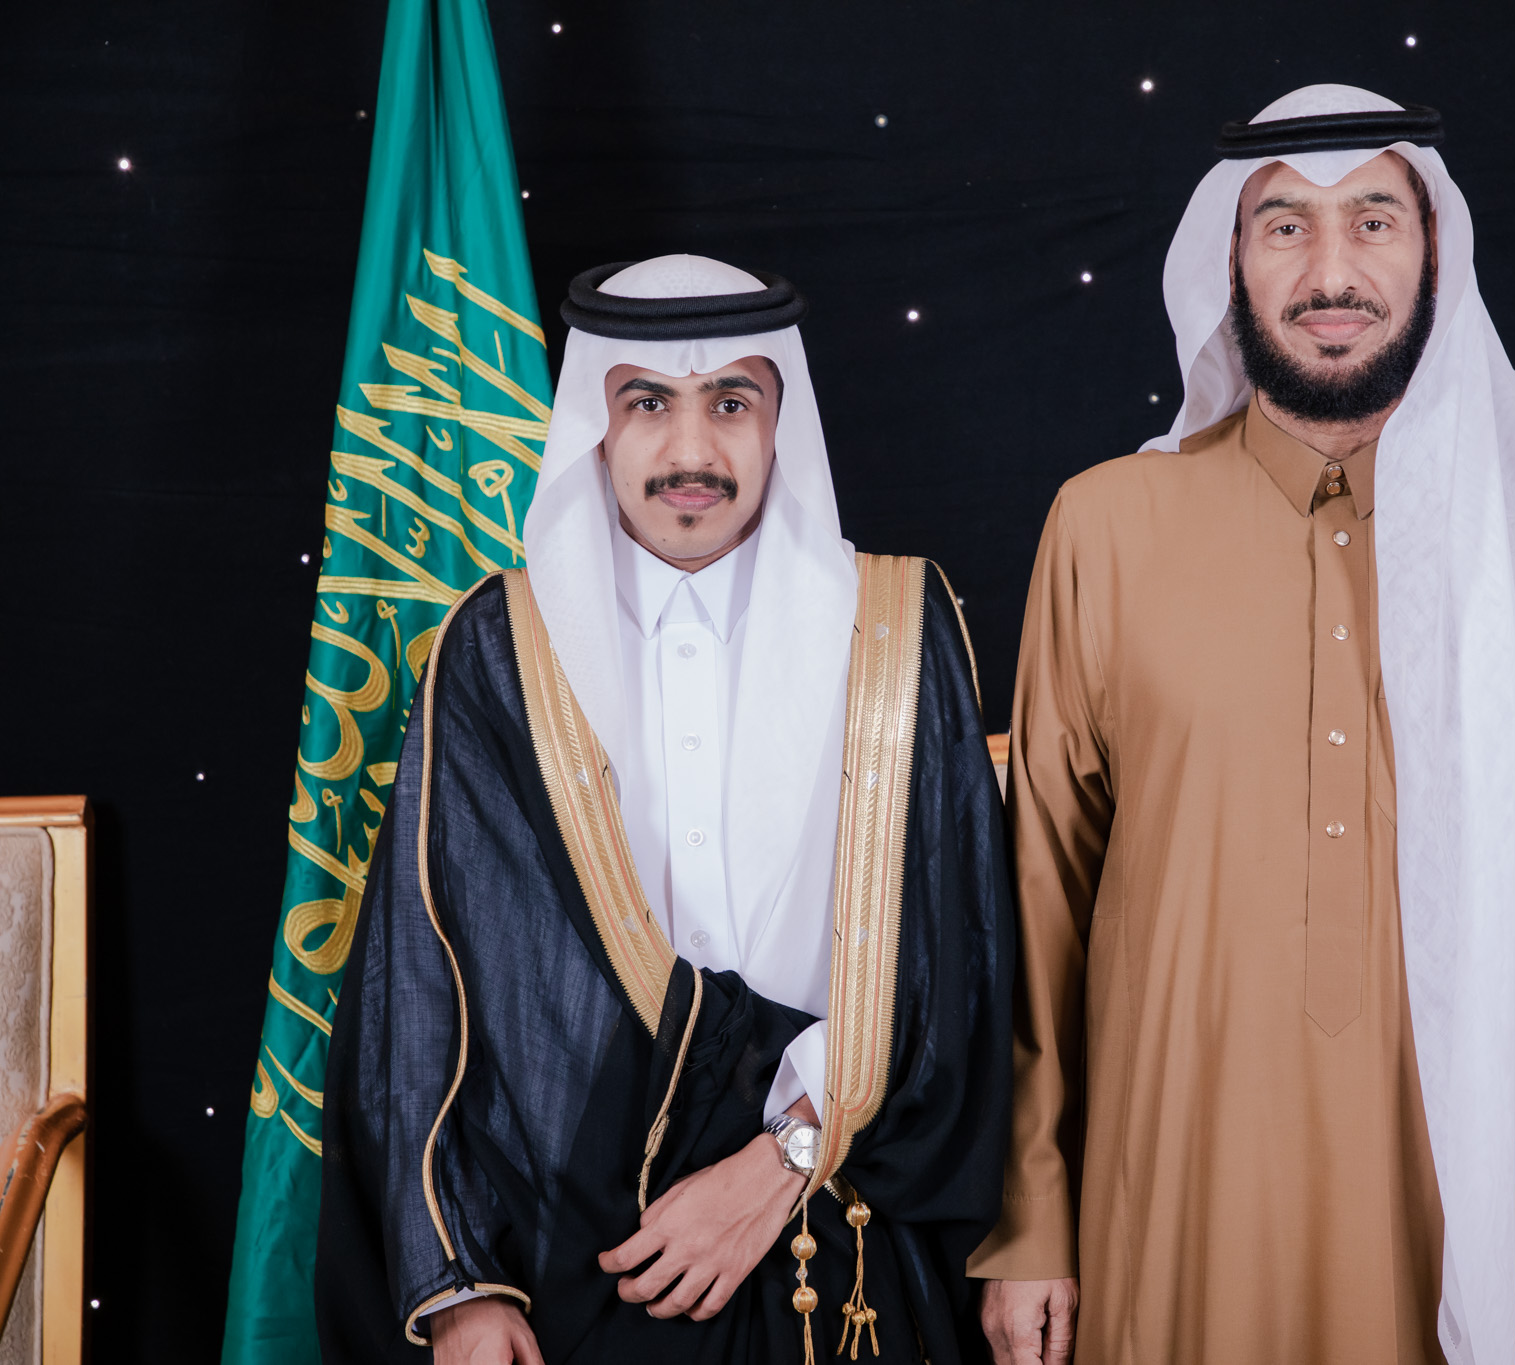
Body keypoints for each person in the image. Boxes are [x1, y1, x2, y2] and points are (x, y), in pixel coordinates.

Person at [972, 86, 1515, 1365]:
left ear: (1435, 252)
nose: (1330, 272)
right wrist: (1028, 1223)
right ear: (1230, 259)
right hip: (1174, 1211)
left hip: (1476, 1204)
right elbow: (1037, 910)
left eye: (1373, 221)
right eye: (1285, 226)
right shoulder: (1103, 526)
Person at [317, 254, 1014, 1365]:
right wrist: (460, 1288)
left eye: (731, 403)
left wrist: (781, 1159)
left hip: (836, 1234)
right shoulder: (499, 647)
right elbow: (423, 984)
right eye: (648, 403)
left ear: (780, 421)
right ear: (596, 426)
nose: (692, 452)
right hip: (570, 1260)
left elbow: (961, 955)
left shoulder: (895, 627)